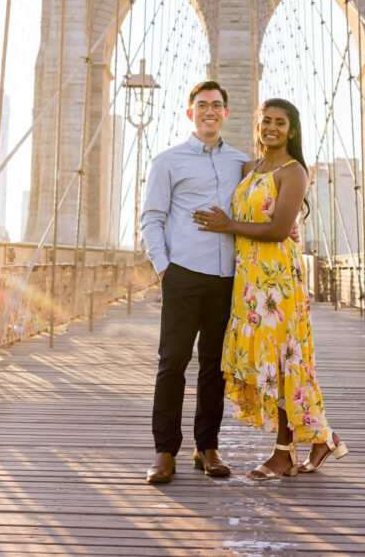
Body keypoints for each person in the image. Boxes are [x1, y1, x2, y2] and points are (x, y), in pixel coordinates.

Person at [193, 98, 347, 480]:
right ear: (257, 126)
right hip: (250, 283)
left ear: (291, 130)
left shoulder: (294, 172)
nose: (272, 127)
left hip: (278, 283)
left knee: (283, 364)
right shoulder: (250, 167)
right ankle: (322, 438)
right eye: (266, 121)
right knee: (276, 363)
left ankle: (284, 453)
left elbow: (280, 229)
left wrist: (228, 226)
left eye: (281, 122)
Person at [140, 80, 247, 484]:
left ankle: (208, 448)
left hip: (227, 278)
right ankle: (164, 452)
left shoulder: (242, 162)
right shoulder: (168, 160)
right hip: (183, 274)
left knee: (215, 367)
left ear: (226, 113)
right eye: (202, 105)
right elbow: (152, 217)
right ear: (190, 113)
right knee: (173, 363)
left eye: (217, 105)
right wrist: (165, 268)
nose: (210, 111)